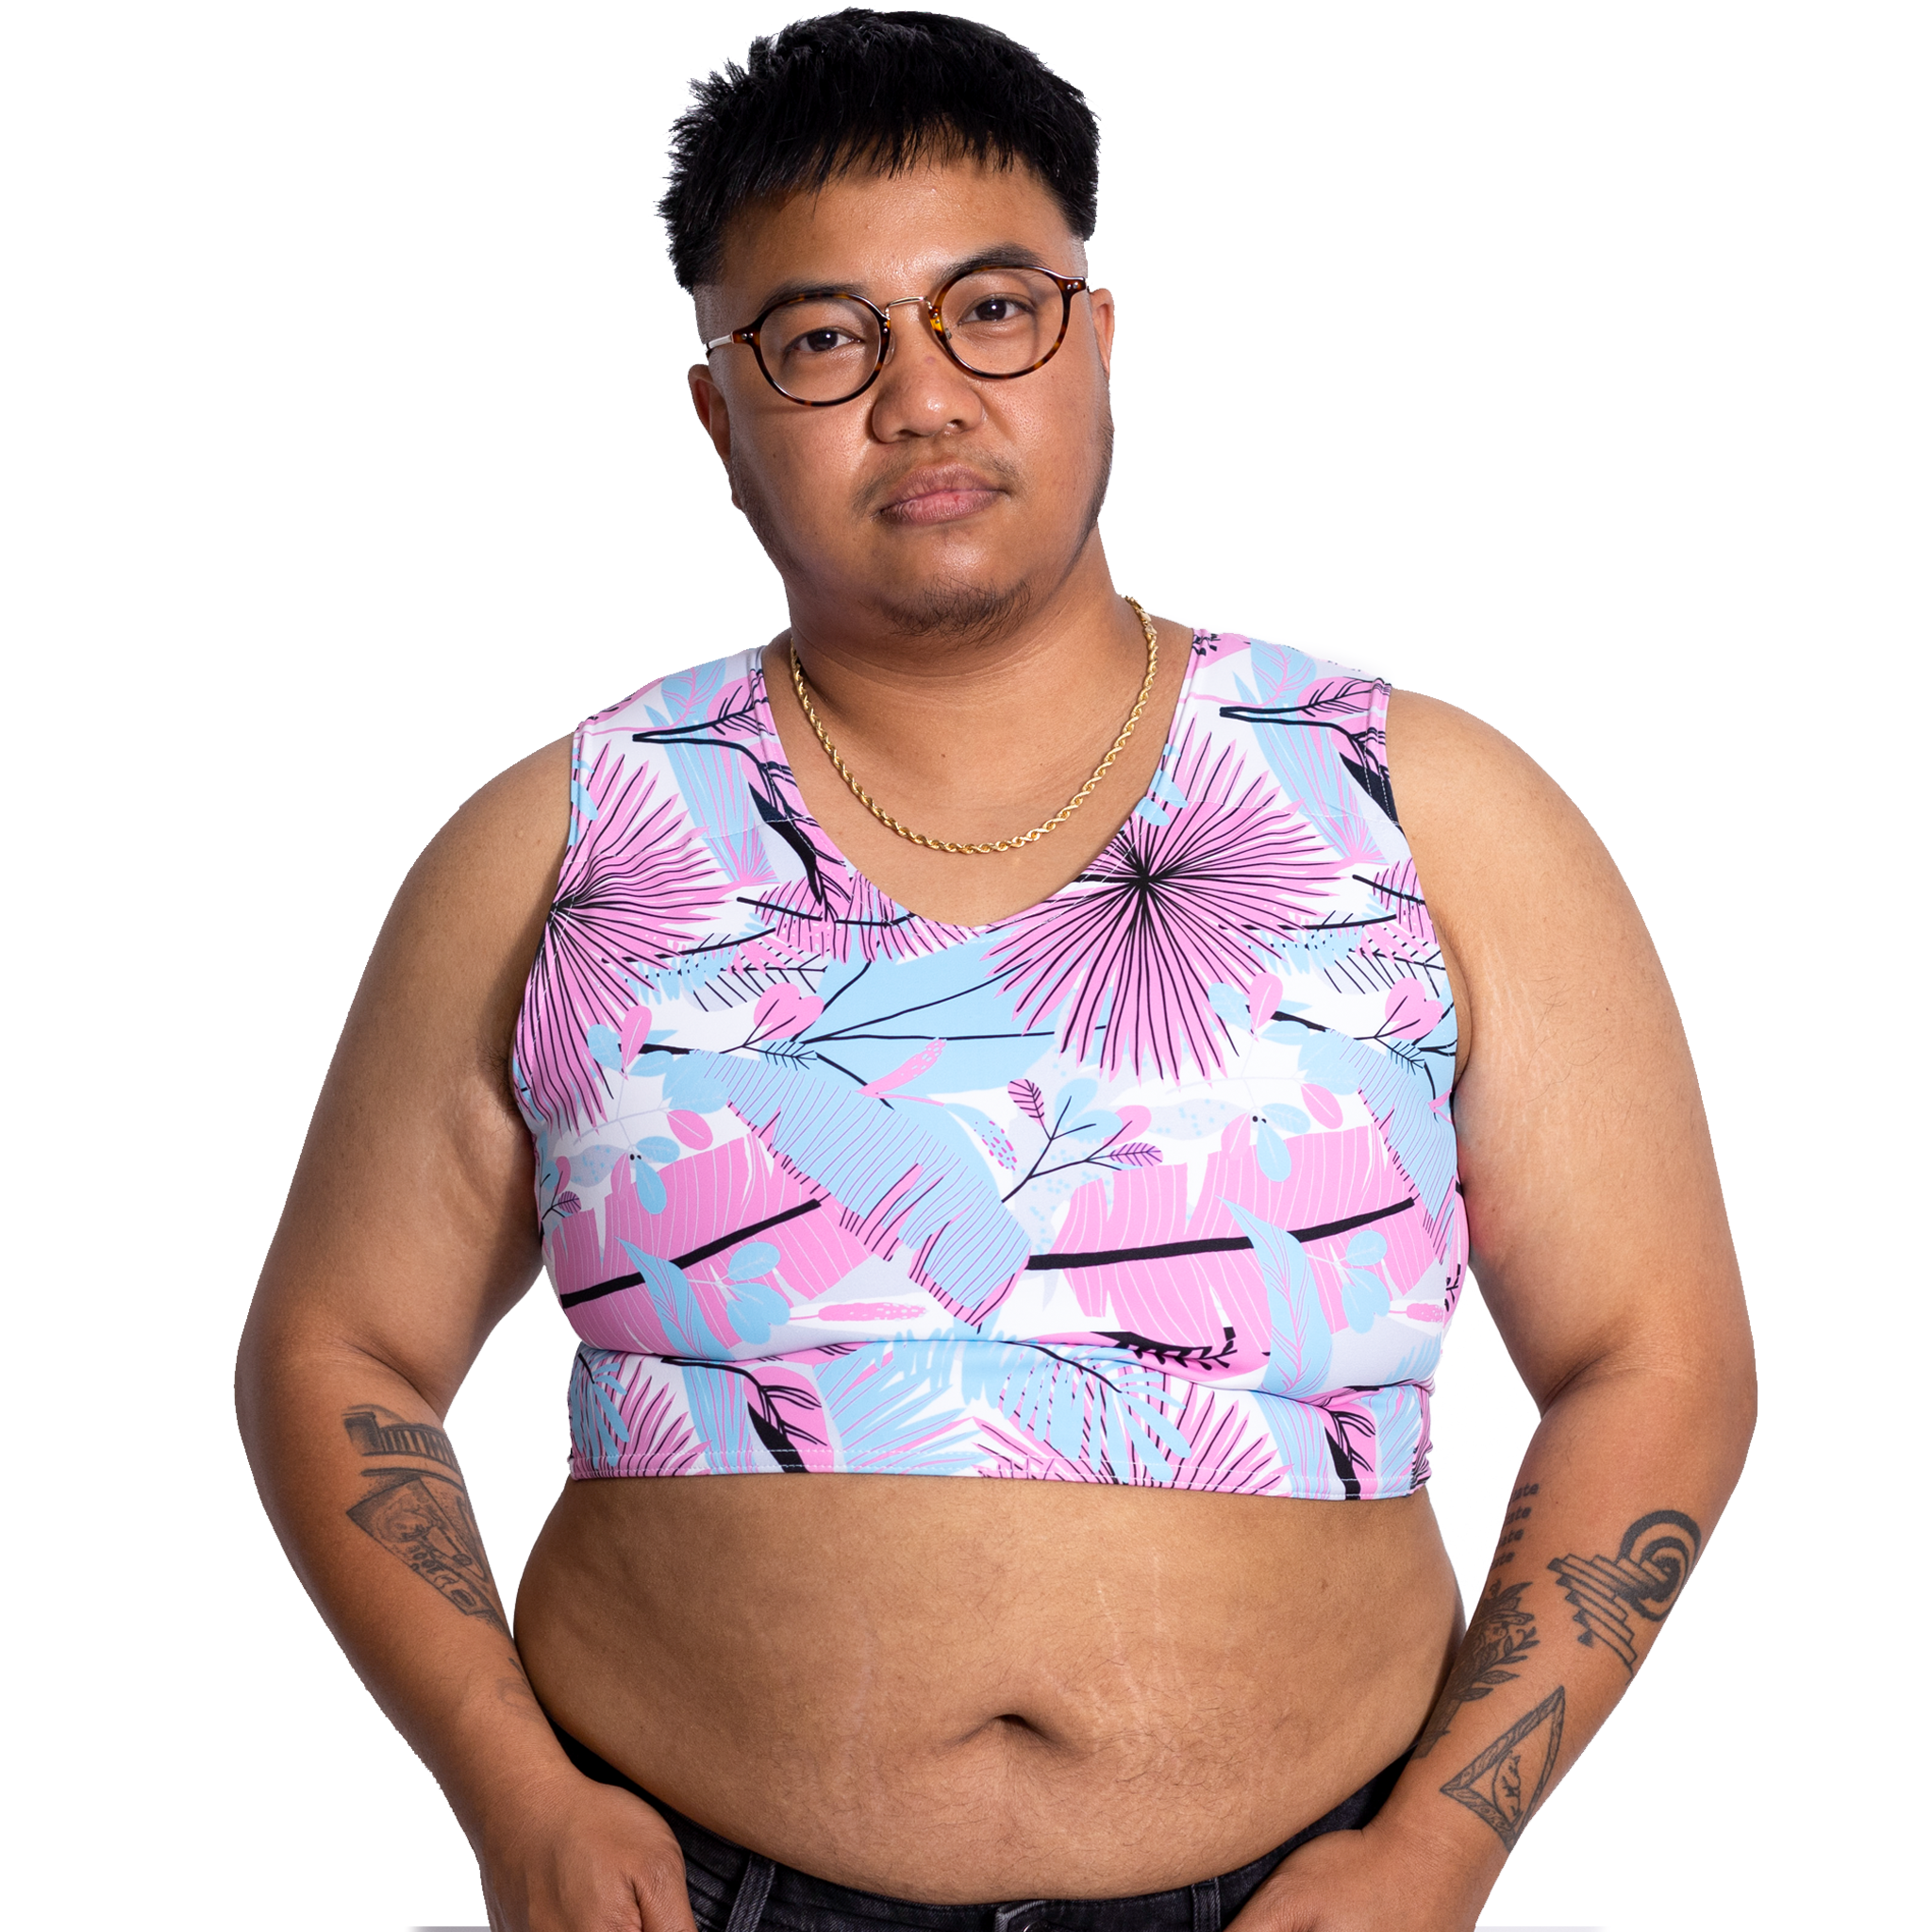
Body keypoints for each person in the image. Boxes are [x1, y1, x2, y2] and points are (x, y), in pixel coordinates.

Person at [237, 12, 1755, 1930]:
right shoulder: (565, 841)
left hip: (1296, 1895)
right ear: (719, 415)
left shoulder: (1419, 808)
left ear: (1096, 341)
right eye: (823, 339)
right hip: (692, 1894)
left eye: (992, 312)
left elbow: (1658, 1359)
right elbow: (335, 1349)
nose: (923, 397)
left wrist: (1444, 1847)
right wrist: (509, 1791)